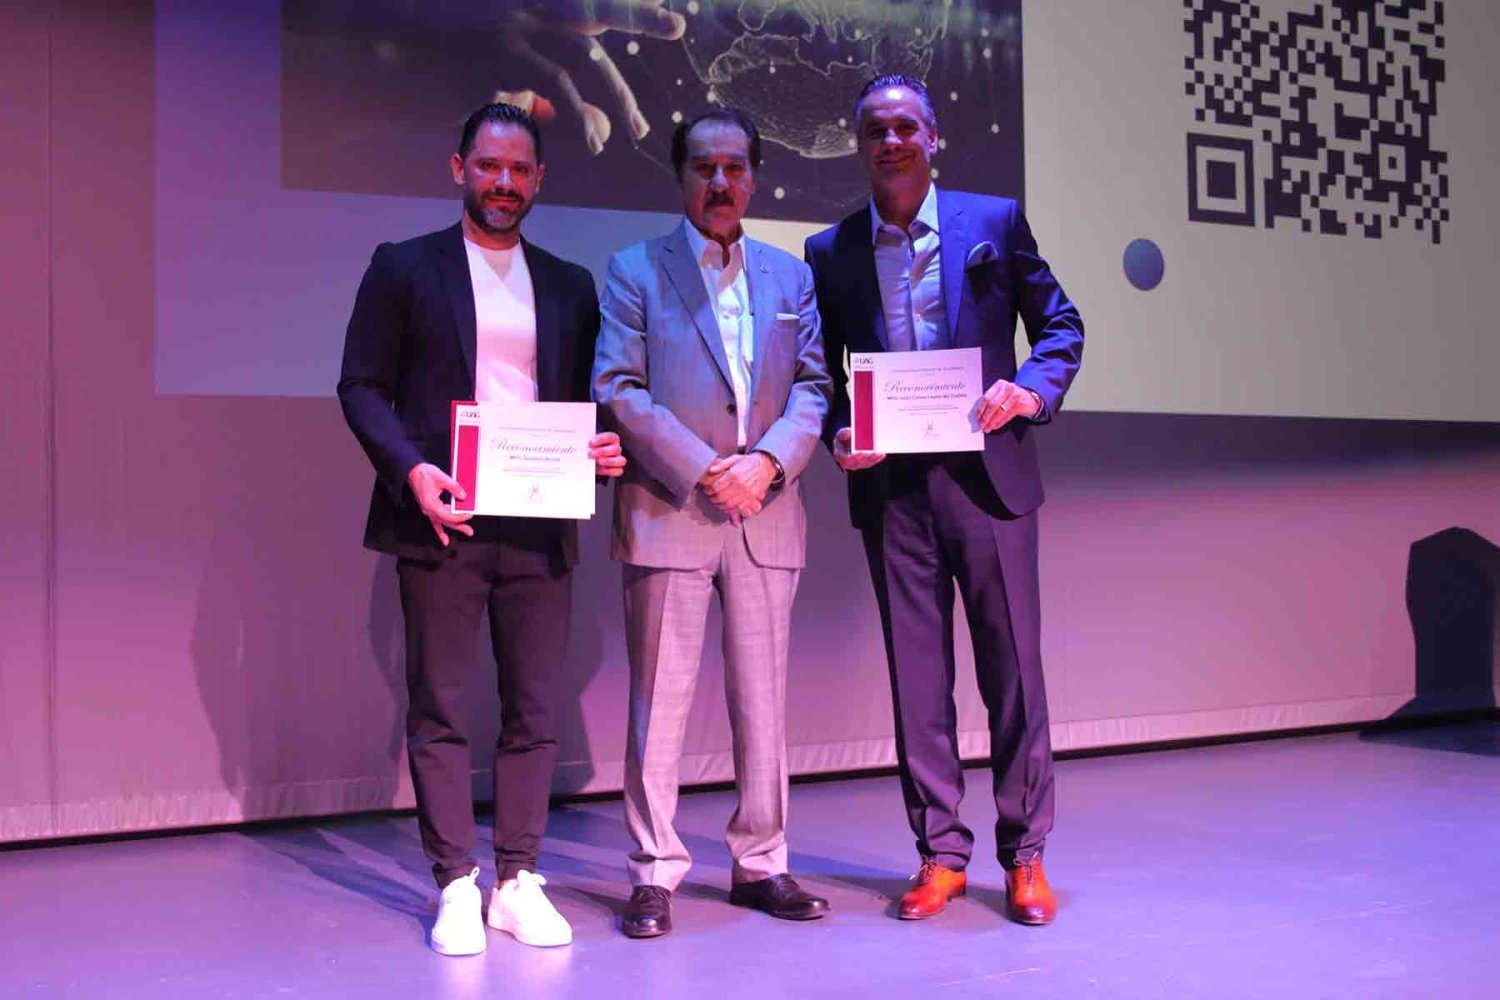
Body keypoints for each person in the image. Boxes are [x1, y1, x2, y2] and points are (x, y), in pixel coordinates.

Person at [337, 102, 625, 955]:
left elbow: (588, 399)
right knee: (440, 708)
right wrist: (410, 471)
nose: (504, 182)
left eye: (520, 170)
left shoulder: (570, 283)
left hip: (540, 521)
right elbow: (360, 386)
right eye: (490, 165)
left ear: (539, 181)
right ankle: (455, 883)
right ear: (458, 168)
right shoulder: (404, 266)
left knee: (534, 708)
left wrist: (603, 442)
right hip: (443, 520)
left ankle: (518, 879)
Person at [803, 75, 1085, 926]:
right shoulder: (831, 250)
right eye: (874, 130)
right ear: (859, 144)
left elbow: (1061, 325)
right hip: (894, 490)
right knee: (917, 681)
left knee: (1014, 674)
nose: (890, 141)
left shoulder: (992, 223)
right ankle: (940, 854)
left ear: (932, 137)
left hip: (989, 483)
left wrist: (1031, 391)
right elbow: (825, 372)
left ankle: (1025, 854)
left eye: (904, 127)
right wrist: (840, 432)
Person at [592, 108, 832, 938]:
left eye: (734, 167)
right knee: (658, 703)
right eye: (704, 167)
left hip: (766, 508)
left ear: (755, 178)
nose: (720, 181)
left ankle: (761, 863)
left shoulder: (790, 276)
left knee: (764, 703)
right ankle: (654, 871)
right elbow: (619, 387)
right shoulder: (634, 269)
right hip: (671, 507)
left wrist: (766, 465)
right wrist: (706, 468)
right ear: (681, 176)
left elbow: (815, 387)